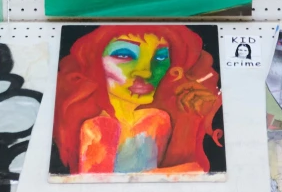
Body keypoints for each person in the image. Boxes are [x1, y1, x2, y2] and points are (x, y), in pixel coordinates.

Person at [51, 25, 221, 178]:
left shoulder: (157, 120)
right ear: (96, 62)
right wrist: (190, 170)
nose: (147, 73)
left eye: (161, 58)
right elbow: (98, 188)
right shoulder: (97, 127)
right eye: (124, 55)